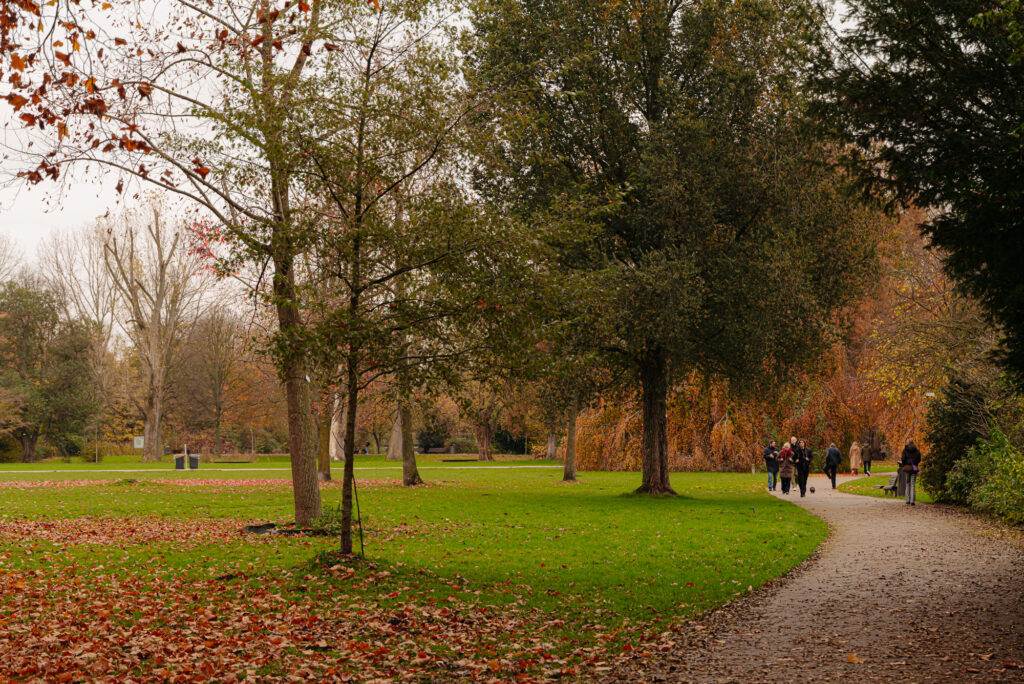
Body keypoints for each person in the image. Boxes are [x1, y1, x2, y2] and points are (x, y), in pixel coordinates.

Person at [900, 439, 922, 505]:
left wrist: (904, 464)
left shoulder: (905, 450)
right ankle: (912, 500)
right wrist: (915, 463)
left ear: (908, 443)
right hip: (914, 468)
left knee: (907, 483)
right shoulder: (917, 450)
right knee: (912, 484)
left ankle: (907, 500)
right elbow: (919, 459)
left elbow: (903, 458)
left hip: (907, 468)